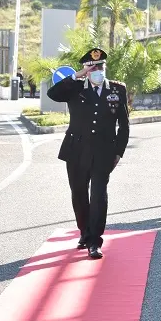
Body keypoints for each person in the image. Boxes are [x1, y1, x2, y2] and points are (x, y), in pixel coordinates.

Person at [47, 47, 129, 259]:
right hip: (76, 151)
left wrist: (119, 152)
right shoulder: (74, 88)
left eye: (100, 66)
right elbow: (52, 94)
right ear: (85, 69)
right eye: (92, 67)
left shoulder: (117, 90)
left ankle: (95, 241)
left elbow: (124, 125)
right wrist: (76, 76)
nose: (97, 70)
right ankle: (84, 232)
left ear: (105, 67)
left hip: (104, 152)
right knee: (79, 194)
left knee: (99, 196)